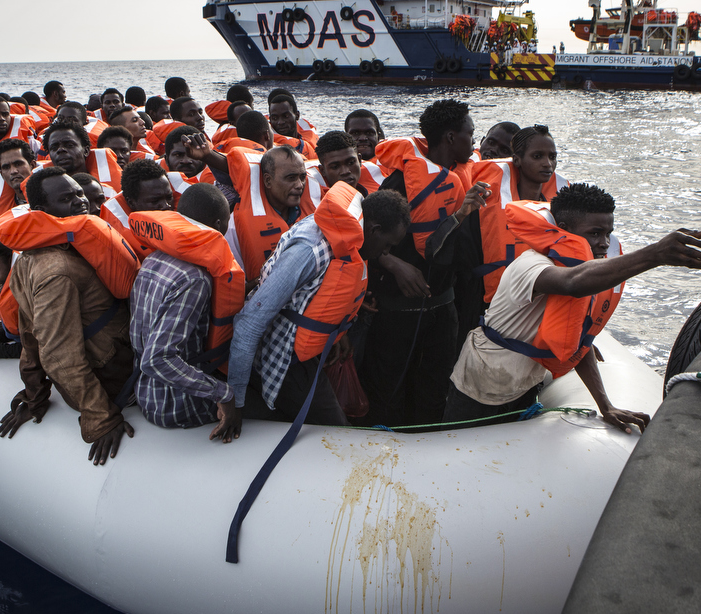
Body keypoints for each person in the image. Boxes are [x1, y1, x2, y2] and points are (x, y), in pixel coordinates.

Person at [446, 184, 701, 431]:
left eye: (608, 233)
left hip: (523, 384)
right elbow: (572, 283)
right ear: (563, 228)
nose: (604, 243)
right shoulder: (532, 265)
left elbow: (578, 337)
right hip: (481, 384)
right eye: (595, 233)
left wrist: (605, 405)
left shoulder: (583, 270)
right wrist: (655, 254)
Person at [227, 184, 409, 425]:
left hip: (309, 353)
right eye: (387, 245)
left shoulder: (351, 236)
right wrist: (234, 403)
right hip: (283, 362)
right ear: (374, 229)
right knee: (336, 432)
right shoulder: (310, 251)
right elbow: (248, 324)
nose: (385, 253)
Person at [0, 166, 138, 465]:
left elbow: (29, 330)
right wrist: (100, 417)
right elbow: (58, 352)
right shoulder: (57, 271)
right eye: (66, 199)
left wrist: (33, 393)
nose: (80, 202)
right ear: (41, 211)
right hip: (114, 375)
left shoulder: (28, 256)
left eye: (79, 193)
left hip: (105, 361)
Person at [361, 99, 488, 427]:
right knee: (389, 388)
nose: (474, 143)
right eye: (470, 135)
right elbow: (365, 238)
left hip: (443, 310)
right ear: (450, 138)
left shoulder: (463, 183)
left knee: (434, 389)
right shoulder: (401, 183)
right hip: (397, 311)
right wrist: (394, 264)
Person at [127, 183, 244, 437]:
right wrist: (224, 395)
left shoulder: (155, 257)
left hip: (145, 391)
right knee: (255, 401)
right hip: (176, 406)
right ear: (218, 225)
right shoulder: (194, 279)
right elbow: (158, 359)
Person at [457, 125, 567, 337]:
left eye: (552, 156)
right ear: (517, 160)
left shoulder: (558, 210)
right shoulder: (485, 202)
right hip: (483, 305)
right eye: (538, 156)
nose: (547, 163)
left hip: (533, 307)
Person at [184, 138, 312, 284]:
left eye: (302, 177)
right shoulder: (235, 227)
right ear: (268, 181)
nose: (299, 185)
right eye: (291, 178)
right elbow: (233, 284)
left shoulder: (313, 214)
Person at [100, 159, 175, 258]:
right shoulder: (118, 237)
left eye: (169, 198)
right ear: (131, 203)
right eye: (155, 201)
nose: (166, 205)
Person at [0, 138, 38, 241]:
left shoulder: (51, 197)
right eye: (6, 167)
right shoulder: (3, 211)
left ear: (32, 165)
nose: (13, 171)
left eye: (18, 164)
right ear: (1, 174)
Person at [44, 122, 122, 195]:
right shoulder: (46, 192)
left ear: (86, 150)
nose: (60, 150)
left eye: (69, 145)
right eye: (54, 147)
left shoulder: (113, 188)